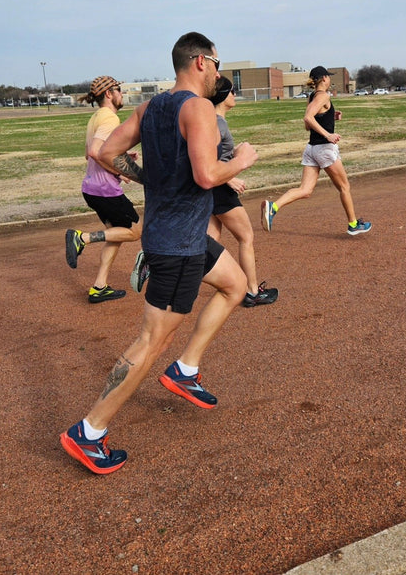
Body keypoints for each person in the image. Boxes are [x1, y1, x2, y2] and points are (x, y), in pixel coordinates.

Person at [60, 32, 258, 474]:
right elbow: (208, 175)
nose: (220, 74)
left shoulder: (151, 108)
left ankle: (185, 370)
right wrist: (241, 160)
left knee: (235, 284)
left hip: (179, 235)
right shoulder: (199, 108)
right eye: (219, 64)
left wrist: (151, 179)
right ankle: (89, 431)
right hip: (178, 246)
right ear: (202, 61)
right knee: (152, 341)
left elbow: (106, 151)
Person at [261, 66, 371, 236]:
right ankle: (353, 224)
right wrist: (328, 135)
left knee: (305, 190)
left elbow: (308, 124)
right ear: (324, 78)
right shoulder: (323, 96)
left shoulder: (312, 97)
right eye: (329, 77)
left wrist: (330, 116)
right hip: (324, 149)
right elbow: (308, 118)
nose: (330, 80)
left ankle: (273, 207)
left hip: (311, 149)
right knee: (344, 186)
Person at [64, 75, 144, 303]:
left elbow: (89, 153)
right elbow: (95, 152)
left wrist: (121, 159)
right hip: (104, 190)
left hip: (91, 188)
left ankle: (99, 286)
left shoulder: (96, 118)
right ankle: (83, 238)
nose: (122, 94)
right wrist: (121, 171)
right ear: (109, 93)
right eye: (119, 89)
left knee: (116, 235)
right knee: (135, 231)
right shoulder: (109, 118)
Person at [206, 76, 278, 307]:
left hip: (212, 190)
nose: (235, 95)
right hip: (220, 189)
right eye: (232, 91)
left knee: (210, 240)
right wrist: (230, 179)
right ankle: (252, 292)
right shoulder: (218, 123)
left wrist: (236, 150)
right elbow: (208, 160)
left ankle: (171, 275)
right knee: (246, 237)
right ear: (223, 95)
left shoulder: (214, 121)